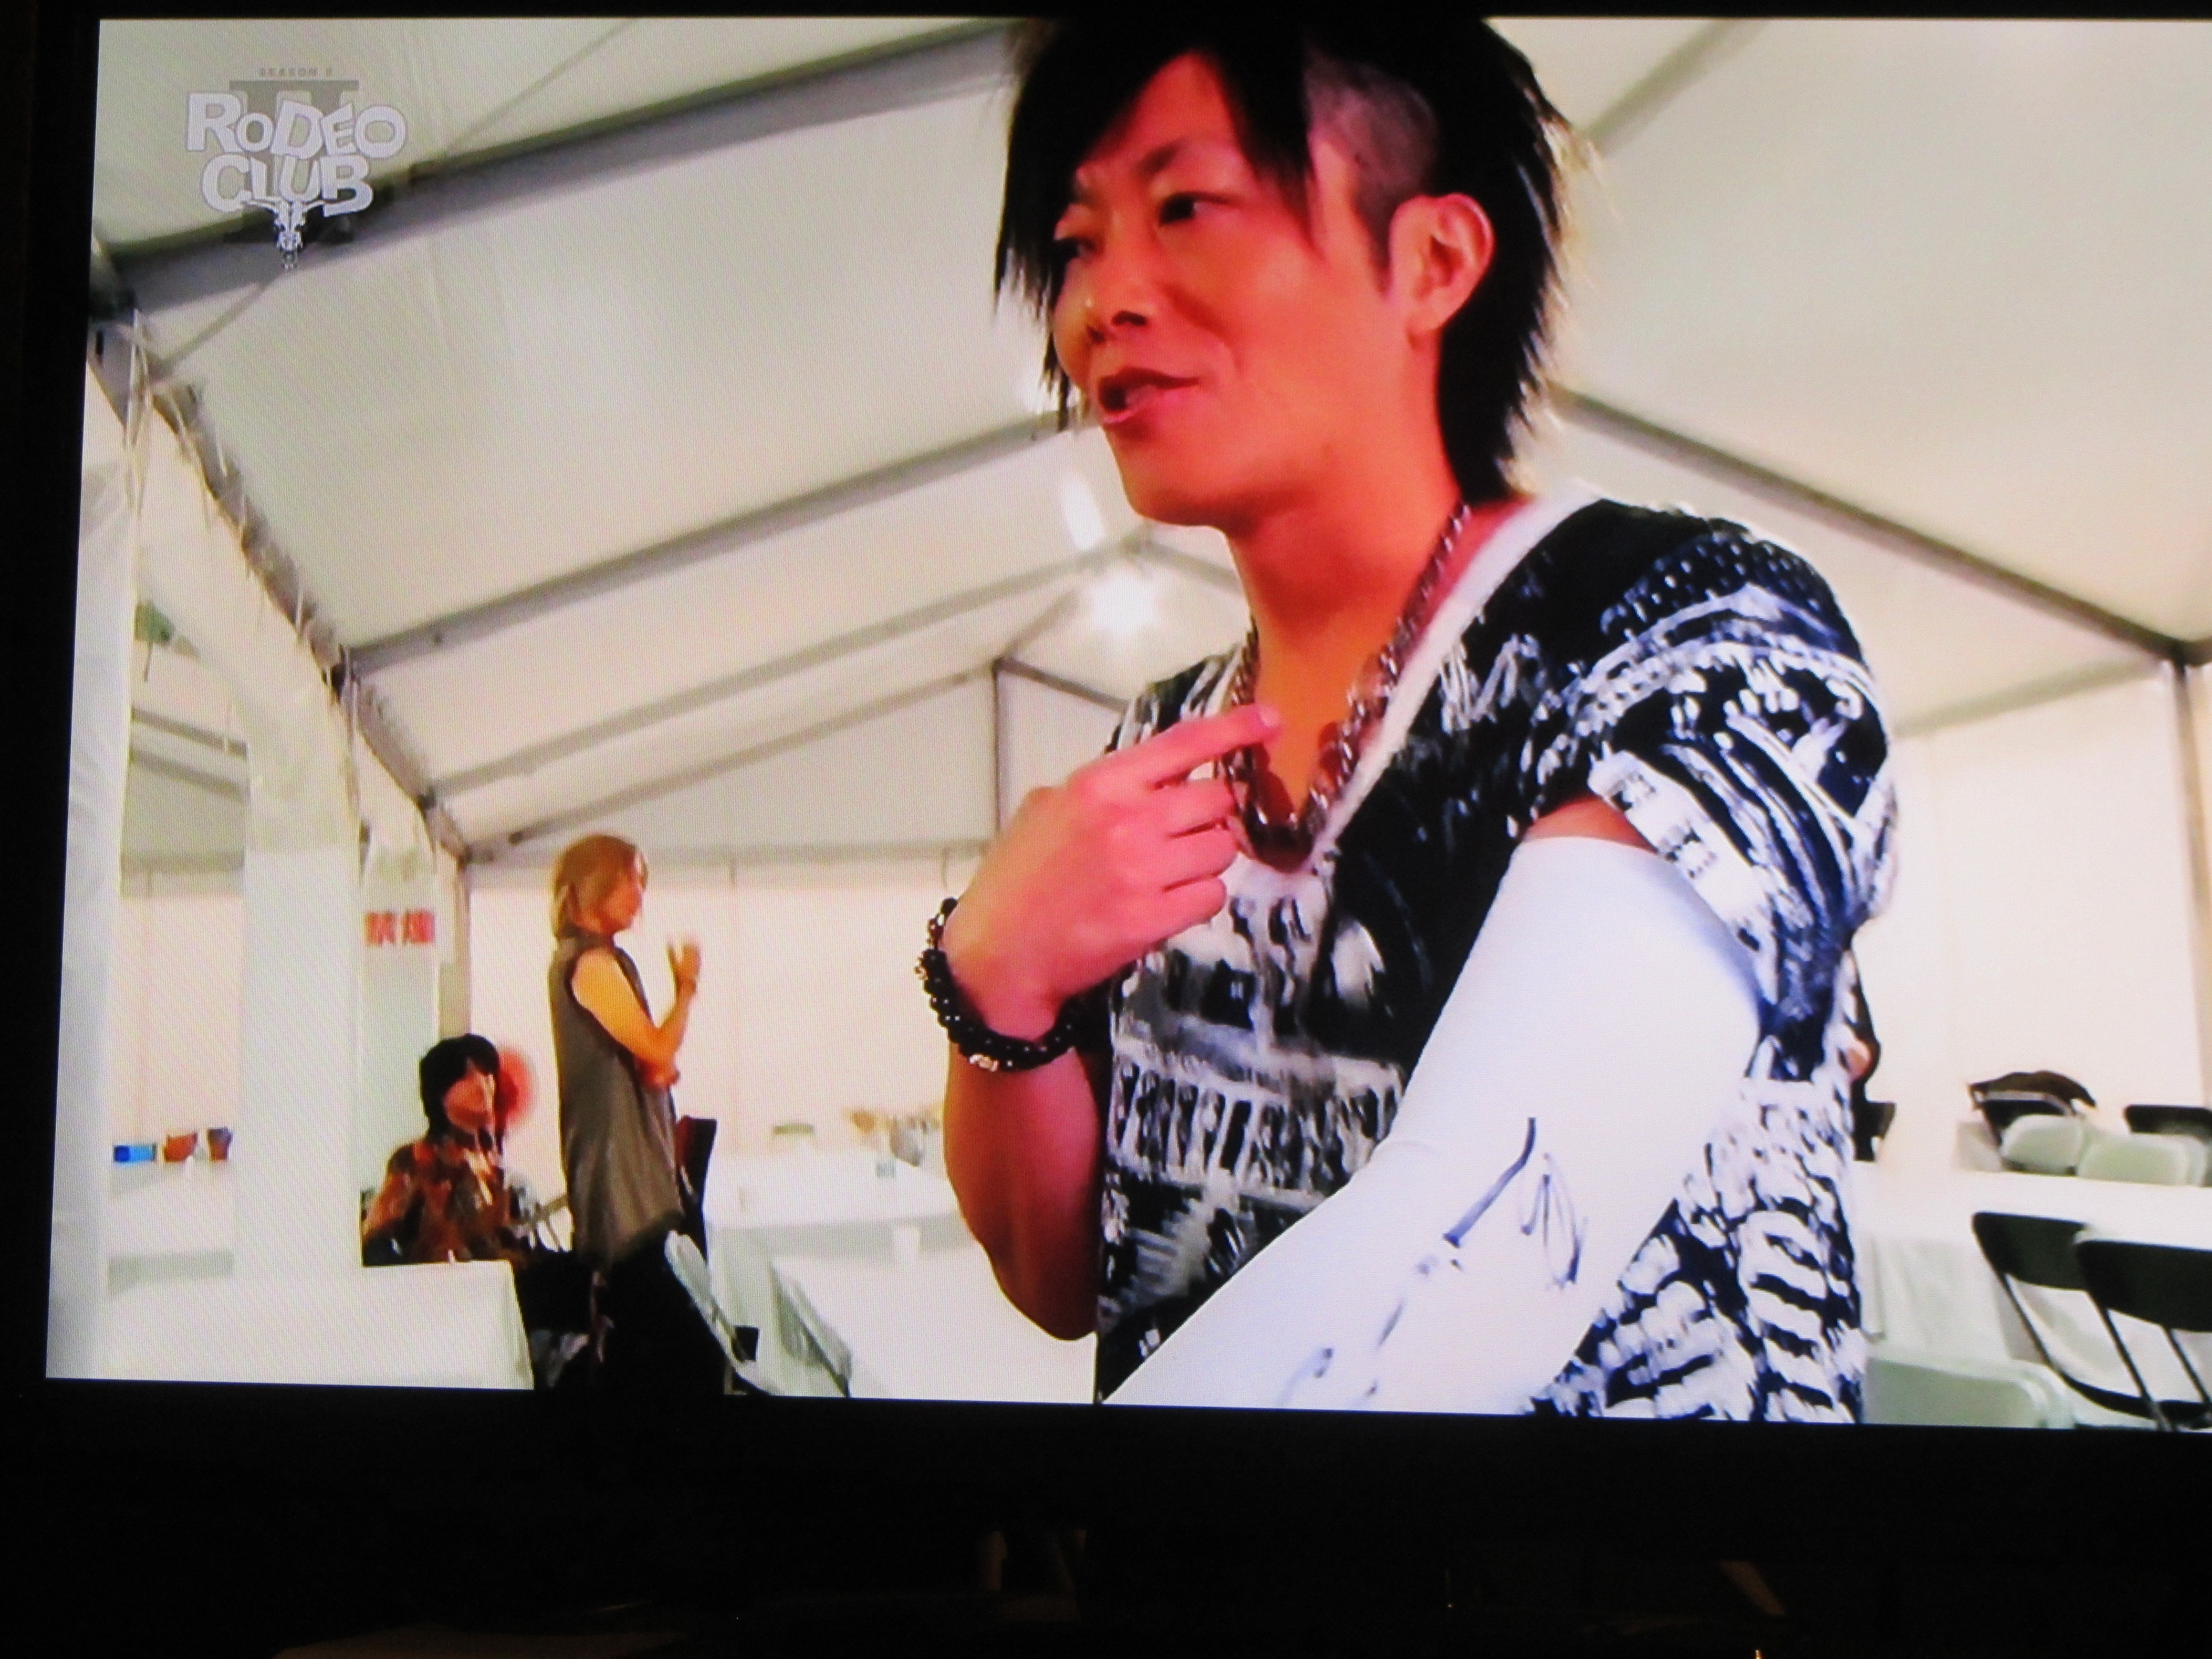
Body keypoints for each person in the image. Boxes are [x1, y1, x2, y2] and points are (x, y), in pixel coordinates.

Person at [930, 15, 1895, 1419]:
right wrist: (993, 986)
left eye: (1185, 209)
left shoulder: (1693, 635)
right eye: (1078, 243)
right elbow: (1066, 1277)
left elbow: (1476, 1249)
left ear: (1434, 260)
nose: (1100, 305)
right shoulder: (1157, 745)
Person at [547, 833, 726, 1395]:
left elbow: (652, 1062)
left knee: (651, 1337)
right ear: (595, 885)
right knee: (679, 1343)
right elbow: (655, 1051)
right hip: (617, 1170)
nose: (639, 896)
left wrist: (660, 1051)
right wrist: (687, 988)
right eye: (629, 881)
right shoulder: (591, 965)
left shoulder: (610, 962)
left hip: (633, 1164)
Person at [362, 1034, 526, 1267]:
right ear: (441, 1093)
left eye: (488, 1074)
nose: (484, 1086)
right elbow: (376, 1237)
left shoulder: (494, 1166)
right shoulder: (417, 1158)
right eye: (468, 1077)